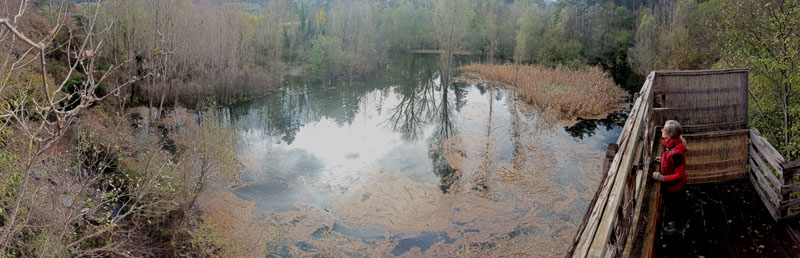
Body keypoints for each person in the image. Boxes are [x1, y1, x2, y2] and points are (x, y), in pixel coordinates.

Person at [652, 120, 688, 234]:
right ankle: (680, 223)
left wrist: (662, 178)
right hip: (674, 187)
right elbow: (670, 161)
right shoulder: (672, 145)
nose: (662, 130)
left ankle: (680, 227)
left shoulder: (676, 152)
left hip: (676, 187)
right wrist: (662, 160)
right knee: (678, 207)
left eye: (664, 129)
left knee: (677, 208)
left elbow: (679, 174)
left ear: (670, 134)